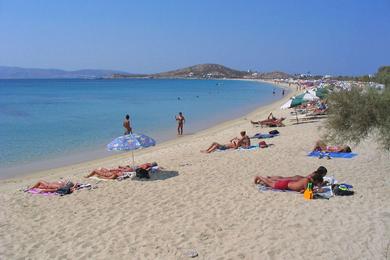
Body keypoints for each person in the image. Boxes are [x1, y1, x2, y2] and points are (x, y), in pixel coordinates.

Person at [254, 172, 324, 192]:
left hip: (288, 184)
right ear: (316, 181)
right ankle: (259, 177)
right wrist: (319, 189)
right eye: (318, 183)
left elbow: (305, 190)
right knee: (270, 184)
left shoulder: (309, 181)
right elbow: (308, 192)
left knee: (270, 183)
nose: (318, 184)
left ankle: (261, 179)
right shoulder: (307, 181)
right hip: (285, 185)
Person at [254, 166, 327, 183]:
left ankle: (270, 177)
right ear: (322, 173)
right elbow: (315, 183)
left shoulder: (314, 173)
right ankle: (265, 179)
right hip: (298, 179)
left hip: (299, 177)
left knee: (282, 178)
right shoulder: (316, 176)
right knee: (281, 180)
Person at [85, 162, 157, 179]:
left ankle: (88, 176)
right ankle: (91, 175)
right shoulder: (144, 167)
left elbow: (113, 176)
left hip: (111, 173)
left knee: (96, 170)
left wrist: (102, 177)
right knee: (101, 168)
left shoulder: (123, 172)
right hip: (113, 172)